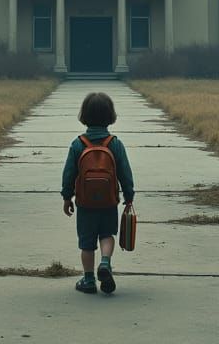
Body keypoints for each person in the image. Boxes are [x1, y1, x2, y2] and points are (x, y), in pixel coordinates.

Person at [61, 91, 135, 295]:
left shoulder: (78, 144)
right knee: (107, 234)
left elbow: (68, 173)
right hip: (109, 202)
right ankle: (105, 262)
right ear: (110, 115)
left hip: (85, 203)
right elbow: (125, 172)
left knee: (86, 243)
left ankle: (88, 280)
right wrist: (129, 195)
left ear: (84, 115)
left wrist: (67, 197)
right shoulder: (115, 143)